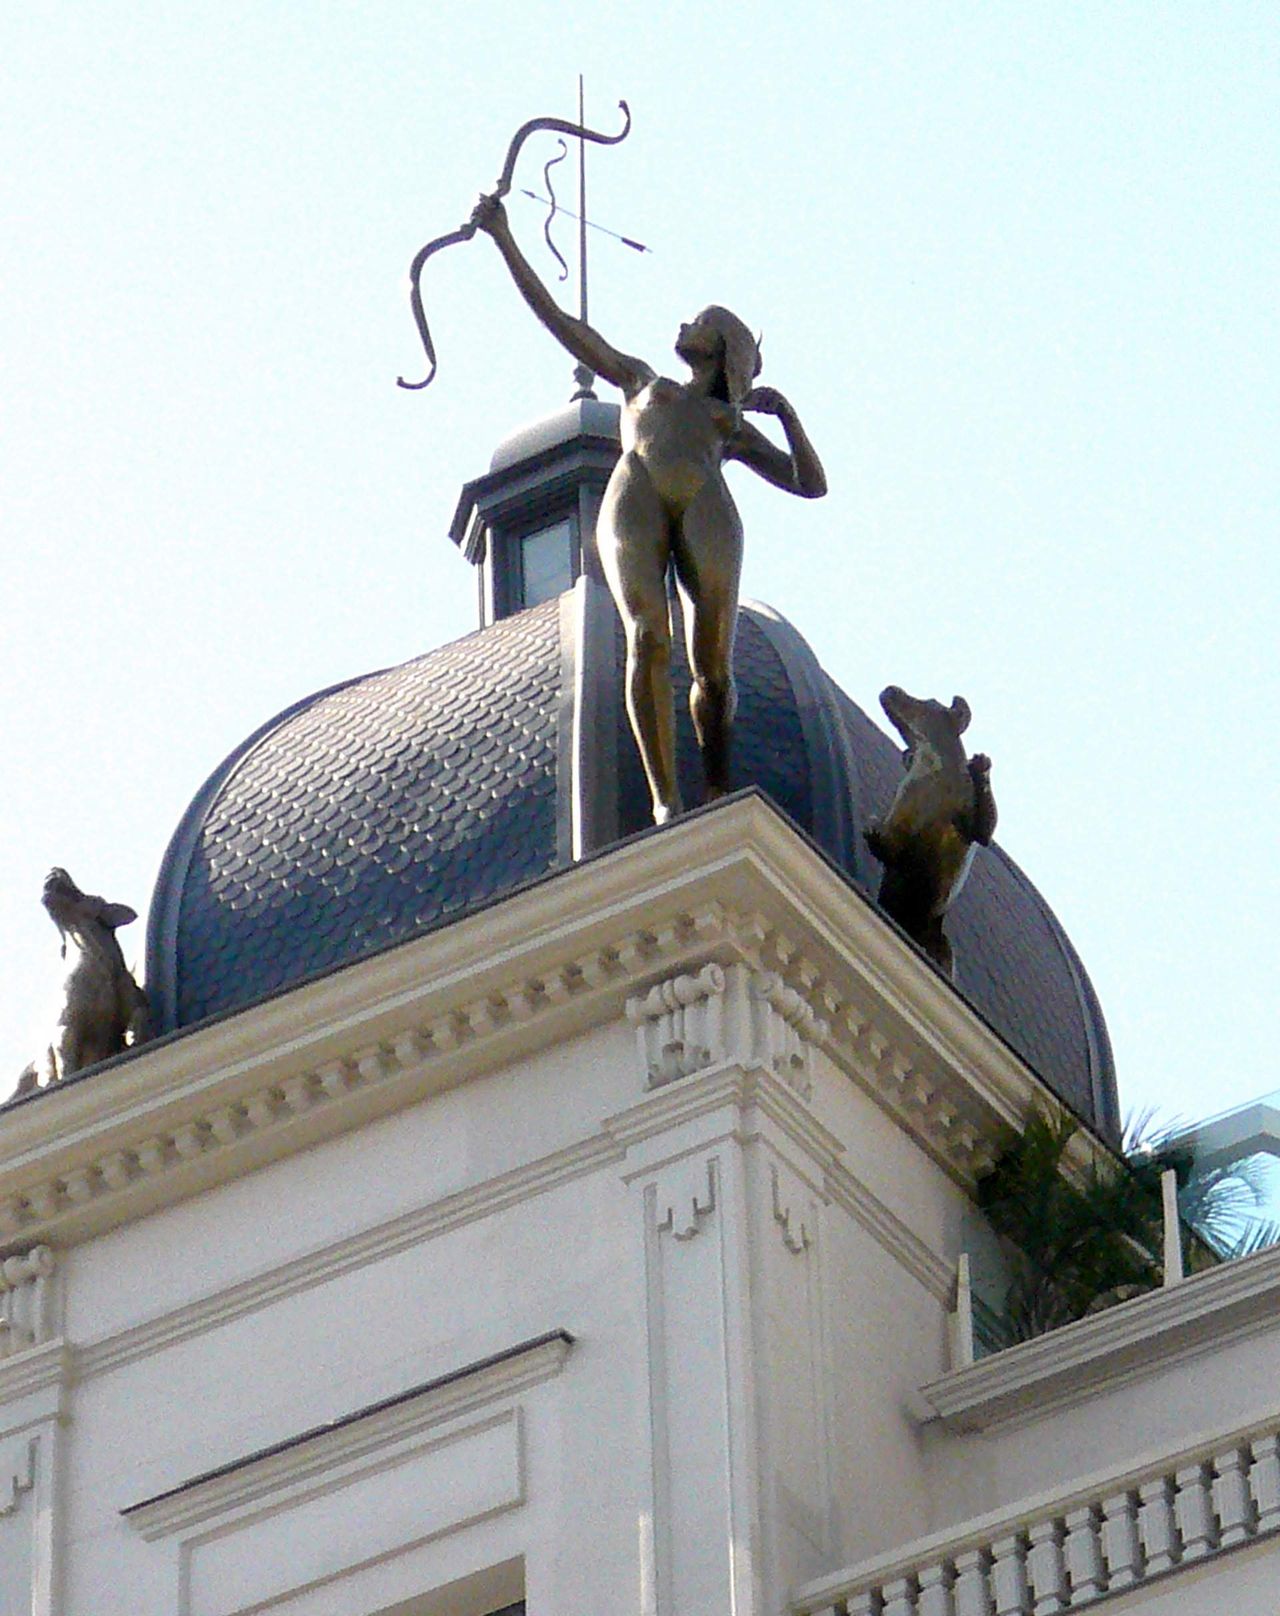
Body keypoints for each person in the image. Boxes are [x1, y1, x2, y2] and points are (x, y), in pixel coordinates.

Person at [471, 193, 827, 824]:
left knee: (713, 669)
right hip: (635, 492)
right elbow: (561, 322)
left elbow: (809, 484)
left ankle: (716, 786)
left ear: (721, 346)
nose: (682, 326)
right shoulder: (642, 382)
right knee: (646, 636)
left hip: (706, 507)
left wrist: (788, 417)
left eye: (697, 322)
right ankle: (666, 801)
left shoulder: (728, 422)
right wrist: (504, 238)